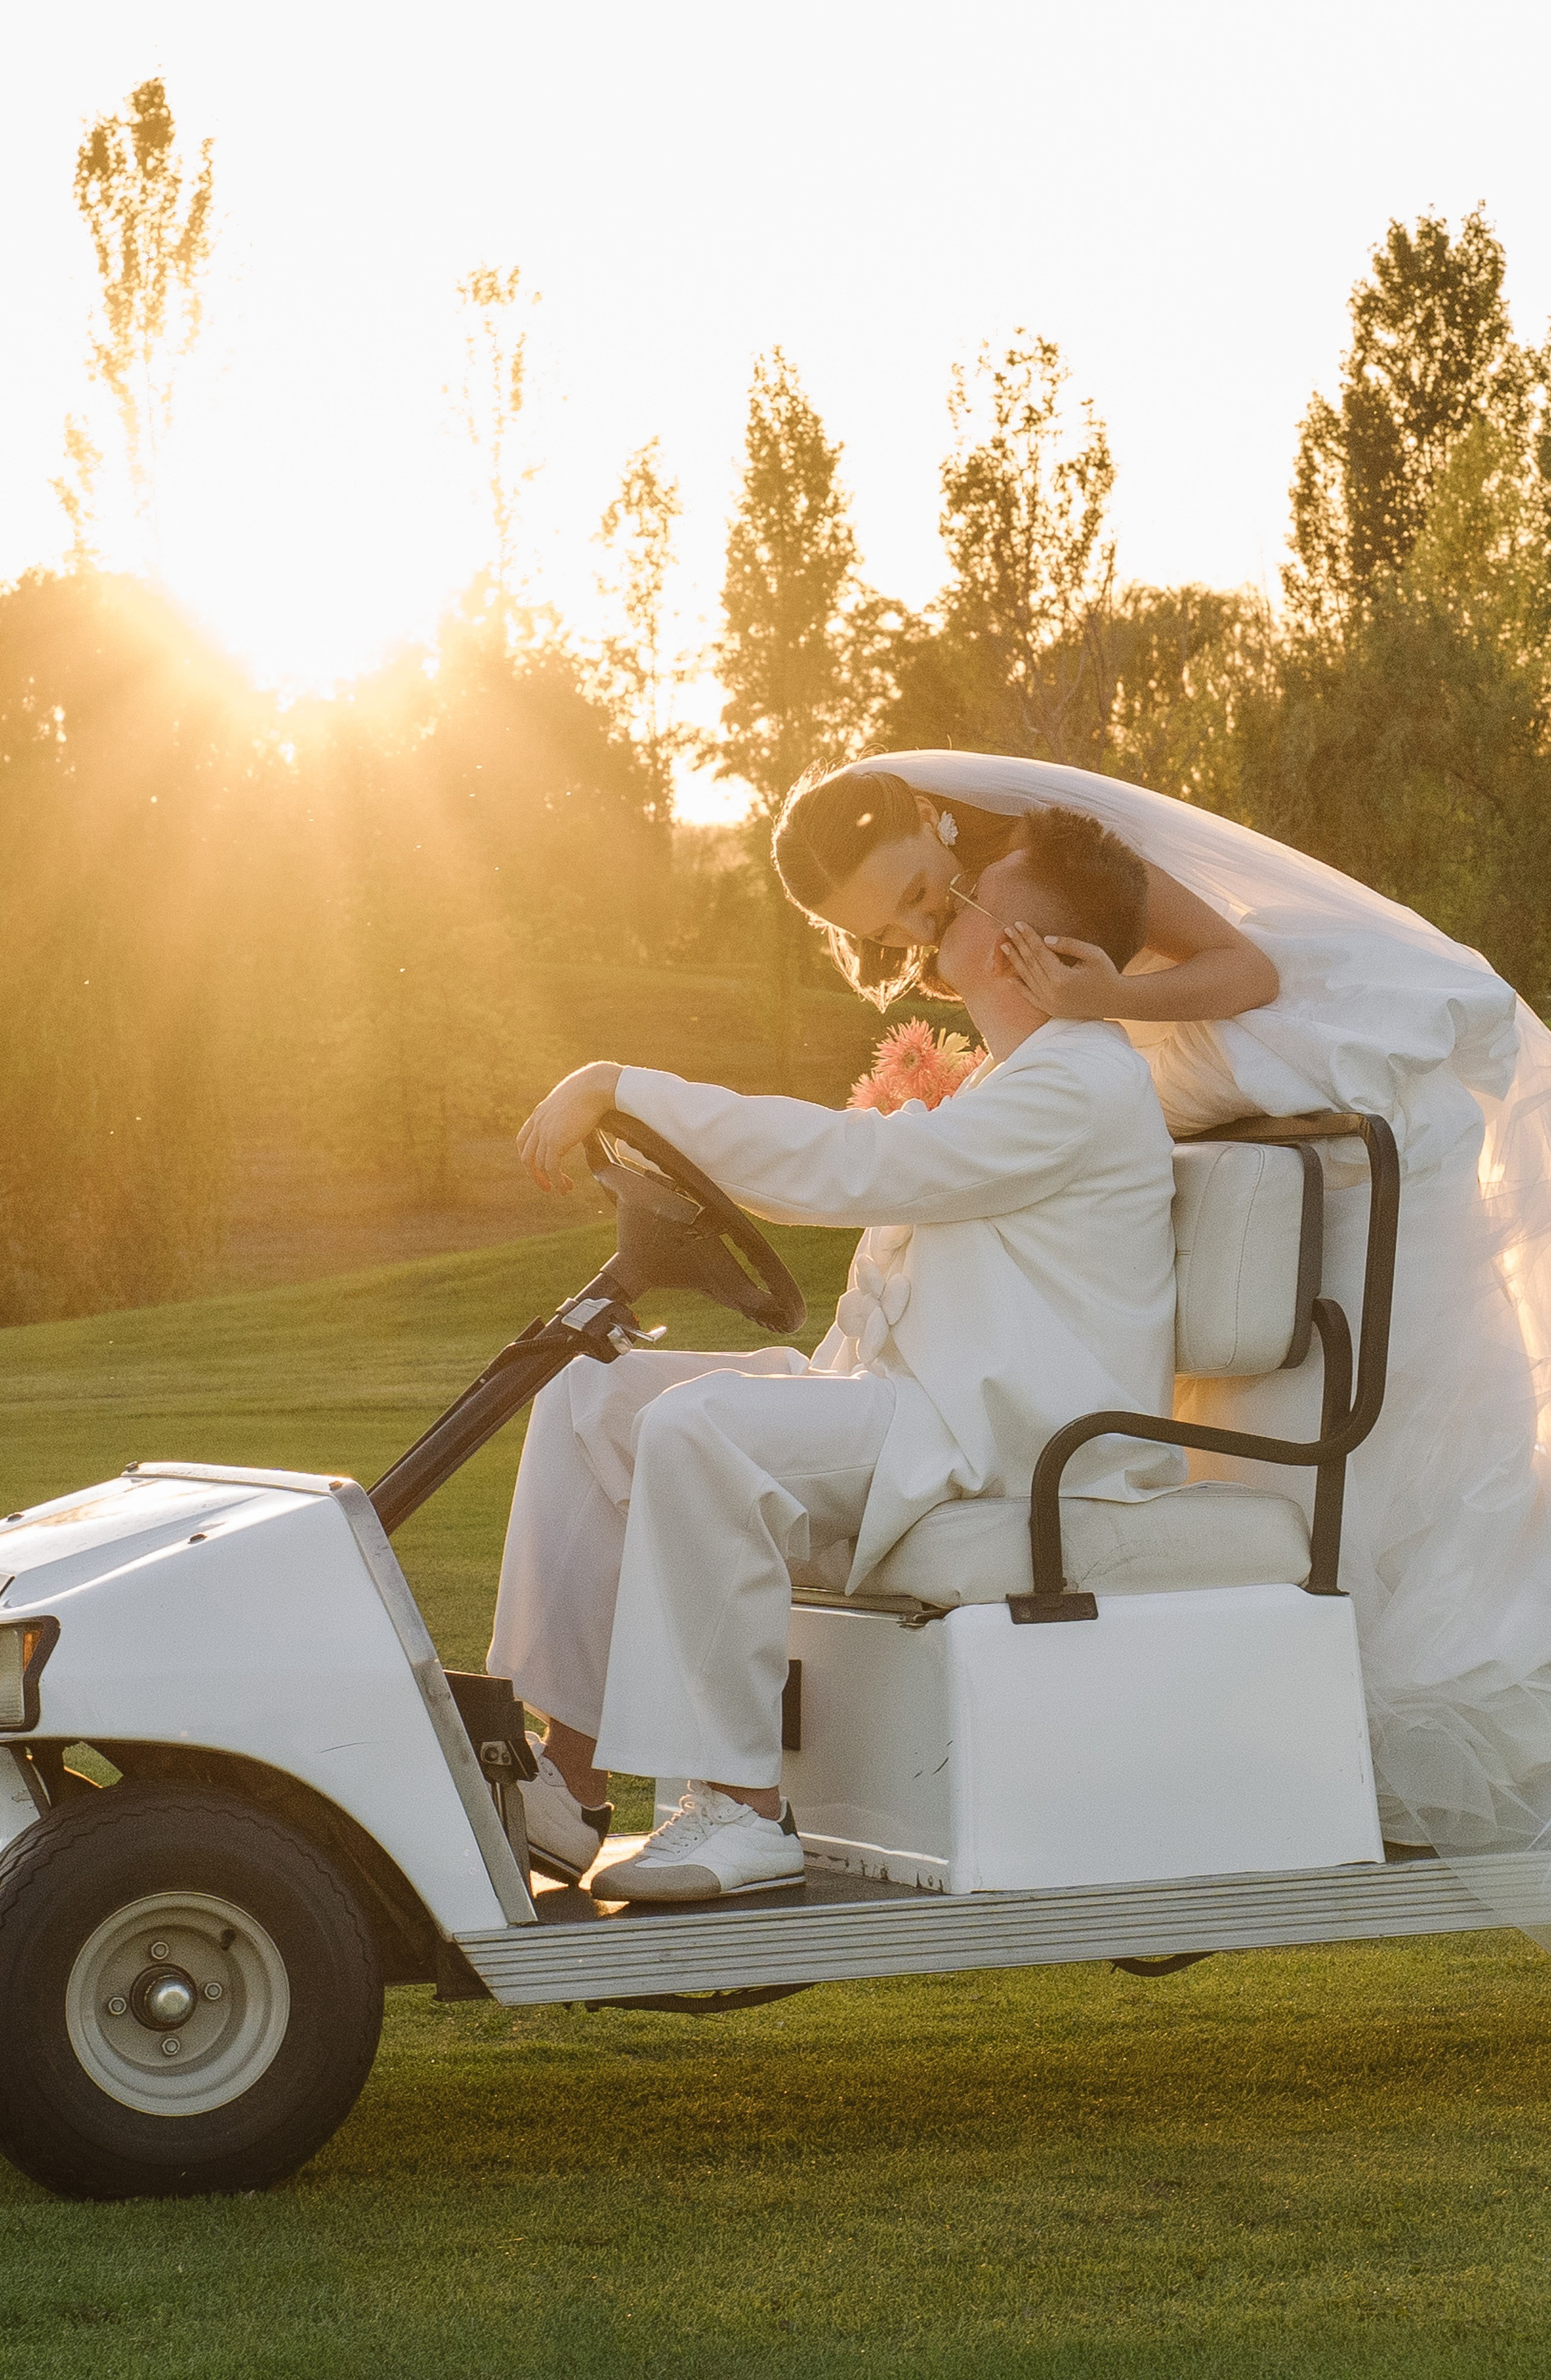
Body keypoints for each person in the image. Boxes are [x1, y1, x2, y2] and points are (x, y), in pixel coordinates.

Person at [774, 750, 1551, 1872]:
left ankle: (1439, 1693)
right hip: (1197, 1076)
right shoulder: (976, 906)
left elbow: (1247, 972)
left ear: (934, 820)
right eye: (890, 933)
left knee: (1406, 1412)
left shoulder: (1050, 856)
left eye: (910, 893)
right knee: (1261, 1403)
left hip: (1314, 1060)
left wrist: (1105, 1001)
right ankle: (1311, 1730)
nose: (918, 927)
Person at [488, 811, 1181, 1903]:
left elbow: (849, 1167)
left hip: (1002, 1437)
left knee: (703, 1427)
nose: (935, 910)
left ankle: (741, 1810)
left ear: (1028, 950)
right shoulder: (1014, 1082)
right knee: (595, 1391)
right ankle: (564, 1778)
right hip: (908, 1404)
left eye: (960, 901)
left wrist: (625, 1083)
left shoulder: (1078, 1084)